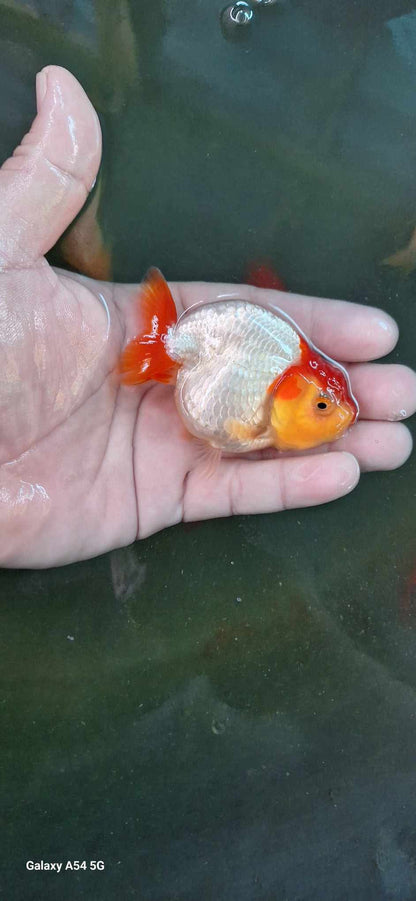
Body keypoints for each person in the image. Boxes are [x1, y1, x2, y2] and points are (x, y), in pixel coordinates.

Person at [0, 66, 415, 568]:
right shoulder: (267, 381)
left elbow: (219, 432)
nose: (333, 416)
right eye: (322, 407)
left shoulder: (278, 379)